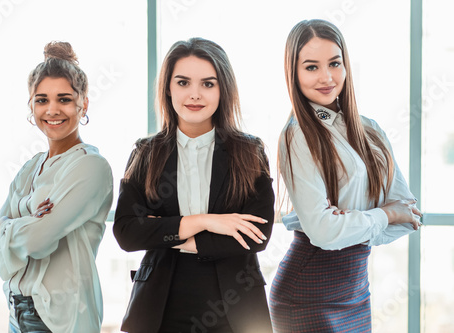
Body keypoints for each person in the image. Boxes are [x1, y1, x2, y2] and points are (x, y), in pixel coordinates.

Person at [269, 19, 422, 332]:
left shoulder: (370, 130)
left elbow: (409, 216)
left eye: (334, 63)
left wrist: (351, 223)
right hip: (307, 294)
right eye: (311, 67)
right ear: (294, 74)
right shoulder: (298, 135)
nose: (326, 77)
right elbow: (324, 233)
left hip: (355, 291)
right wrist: (383, 214)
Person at [113, 37, 274, 333]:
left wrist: (170, 234)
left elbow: (257, 234)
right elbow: (127, 233)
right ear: (168, 88)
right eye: (183, 83)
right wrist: (208, 222)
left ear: (223, 89)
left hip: (237, 308)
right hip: (159, 307)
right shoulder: (146, 152)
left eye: (208, 84)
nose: (195, 95)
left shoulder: (249, 152)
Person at [0, 41, 113, 333]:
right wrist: (23, 224)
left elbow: (39, 241)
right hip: (16, 312)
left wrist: (7, 224)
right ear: (31, 104)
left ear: (84, 104)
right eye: (42, 100)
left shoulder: (90, 166)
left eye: (64, 99)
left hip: (60, 318)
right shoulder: (29, 168)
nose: (52, 110)